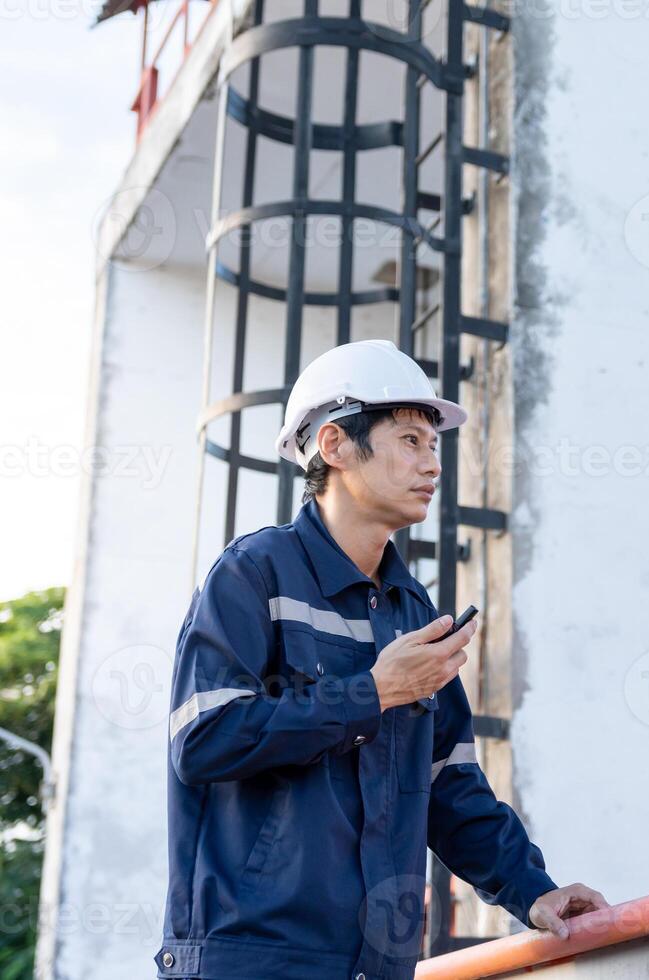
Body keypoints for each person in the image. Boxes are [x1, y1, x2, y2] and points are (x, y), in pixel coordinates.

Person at [154, 340, 607, 980]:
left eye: (433, 446)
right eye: (410, 440)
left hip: (375, 967)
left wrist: (532, 892)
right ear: (335, 445)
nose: (432, 464)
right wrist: (371, 692)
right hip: (250, 961)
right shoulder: (254, 574)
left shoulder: (412, 609)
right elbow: (203, 740)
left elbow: (449, 785)